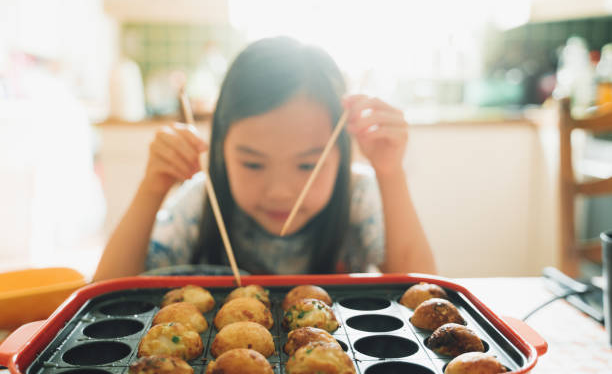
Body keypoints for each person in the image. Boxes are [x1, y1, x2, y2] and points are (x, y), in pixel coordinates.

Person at [93, 36, 435, 281]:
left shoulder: (357, 194)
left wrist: (391, 174)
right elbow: (105, 294)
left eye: (307, 165)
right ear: (221, 149)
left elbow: (425, 291)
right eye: (253, 164)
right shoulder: (201, 200)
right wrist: (151, 189)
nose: (280, 192)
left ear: (341, 152)